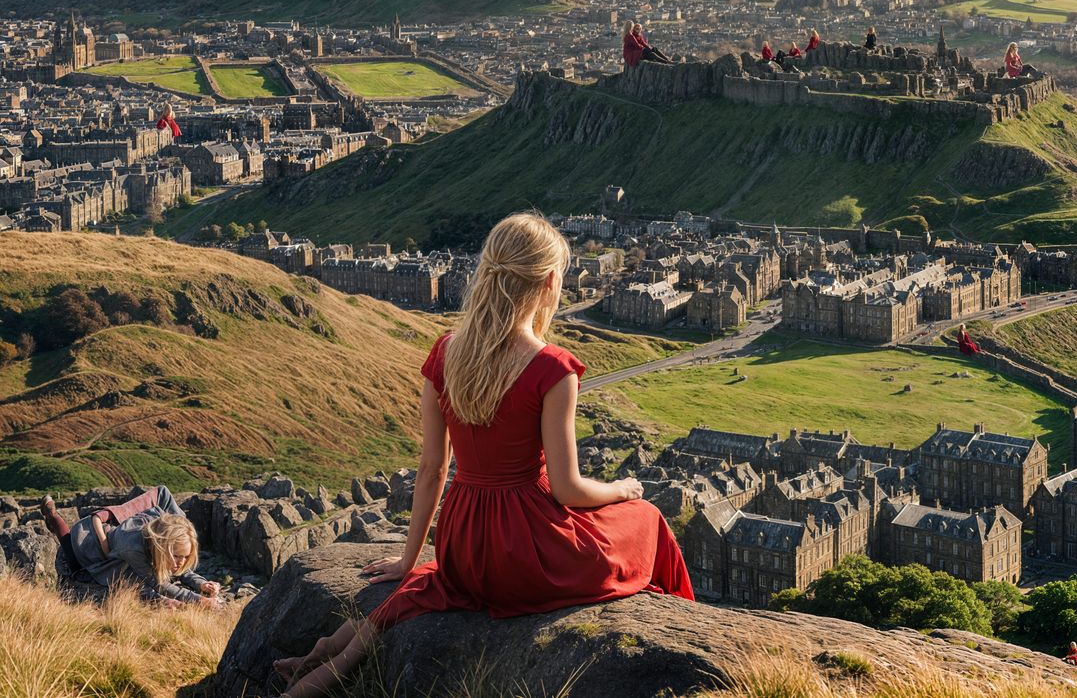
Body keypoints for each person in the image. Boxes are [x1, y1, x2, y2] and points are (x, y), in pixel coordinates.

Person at [273, 212, 694, 697]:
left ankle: (326, 659)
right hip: (531, 552)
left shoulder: (446, 352)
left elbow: (432, 470)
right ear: (551, 281)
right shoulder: (553, 368)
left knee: (425, 583)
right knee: (646, 518)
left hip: (466, 547)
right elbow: (568, 489)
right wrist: (622, 488)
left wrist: (411, 560)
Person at [41, 486, 221, 609]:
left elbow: (162, 491)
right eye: (176, 556)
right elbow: (159, 584)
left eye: (185, 556)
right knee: (67, 544)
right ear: (161, 545)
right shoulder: (133, 547)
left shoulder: (172, 523)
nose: (181, 562)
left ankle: (53, 516)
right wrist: (199, 600)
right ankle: (52, 516)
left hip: (114, 537)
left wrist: (200, 582)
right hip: (85, 542)